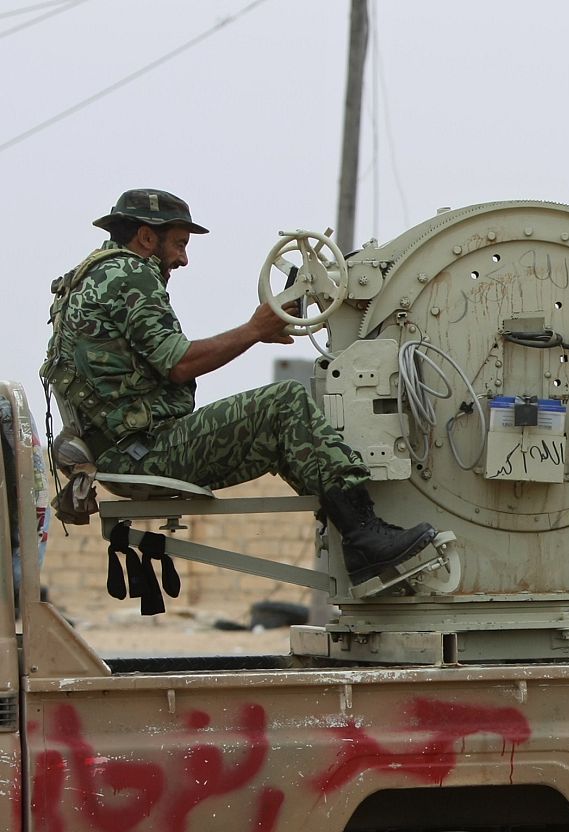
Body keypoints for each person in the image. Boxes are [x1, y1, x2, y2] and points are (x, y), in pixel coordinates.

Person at [39, 188, 435, 588]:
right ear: (145, 237)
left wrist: (255, 332)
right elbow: (179, 364)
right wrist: (254, 330)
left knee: (282, 436)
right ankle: (364, 535)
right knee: (284, 403)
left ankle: (358, 541)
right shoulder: (130, 274)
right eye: (178, 244)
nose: (183, 259)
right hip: (144, 453)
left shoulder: (90, 278)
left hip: (123, 452)